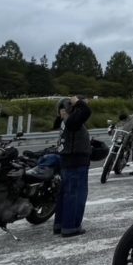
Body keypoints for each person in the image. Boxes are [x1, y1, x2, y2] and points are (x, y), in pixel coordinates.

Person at [54, 96, 91, 238]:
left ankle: (60, 224)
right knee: (76, 195)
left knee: (66, 194)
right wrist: (78, 102)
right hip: (76, 162)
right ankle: (71, 226)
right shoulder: (71, 121)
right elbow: (86, 111)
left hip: (67, 161)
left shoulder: (64, 121)